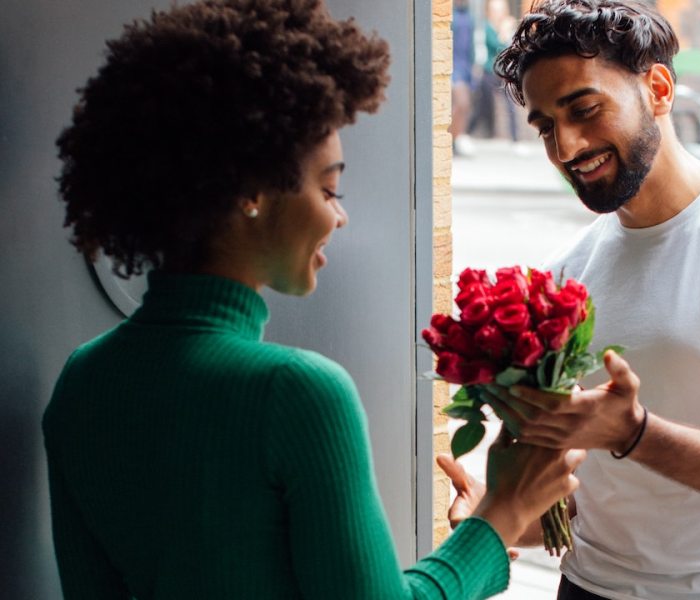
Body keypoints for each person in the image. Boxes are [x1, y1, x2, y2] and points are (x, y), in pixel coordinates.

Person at [42, 1, 585, 598]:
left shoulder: (82, 382)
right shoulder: (296, 394)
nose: (340, 215)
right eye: (330, 187)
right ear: (252, 193)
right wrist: (502, 511)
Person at [437, 1, 700, 598]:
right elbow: (595, 498)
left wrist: (636, 433)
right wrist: (499, 513)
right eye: (544, 126)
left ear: (659, 88)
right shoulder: (569, 272)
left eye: (584, 109)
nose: (565, 146)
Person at [467, 0, 522, 147]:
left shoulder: (507, 26)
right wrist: (503, 35)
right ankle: (466, 132)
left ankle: (515, 139)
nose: (498, 13)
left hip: (503, 73)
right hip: (489, 72)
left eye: (500, 9)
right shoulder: (486, 26)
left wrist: (506, 33)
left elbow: (513, 47)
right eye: (495, 10)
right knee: (481, 105)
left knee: (511, 104)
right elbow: (496, 45)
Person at [451, 0, 478, 156]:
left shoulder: (469, 15)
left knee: (464, 107)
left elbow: (471, 46)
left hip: (466, 66)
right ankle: (451, 139)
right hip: (454, 66)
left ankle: (454, 139)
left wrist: (473, 66)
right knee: (462, 104)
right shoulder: (451, 15)